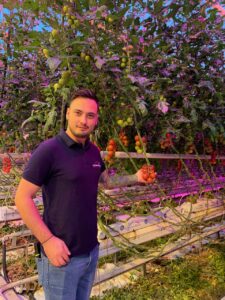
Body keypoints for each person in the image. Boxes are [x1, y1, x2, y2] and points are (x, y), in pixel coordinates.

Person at [15, 88, 149, 300]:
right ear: (68, 113)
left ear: (96, 120)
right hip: (61, 255)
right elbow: (22, 197)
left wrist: (136, 177)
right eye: (78, 113)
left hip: (90, 251)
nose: (83, 120)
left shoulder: (94, 151)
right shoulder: (49, 150)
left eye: (90, 115)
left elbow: (107, 182)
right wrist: (48, 241)